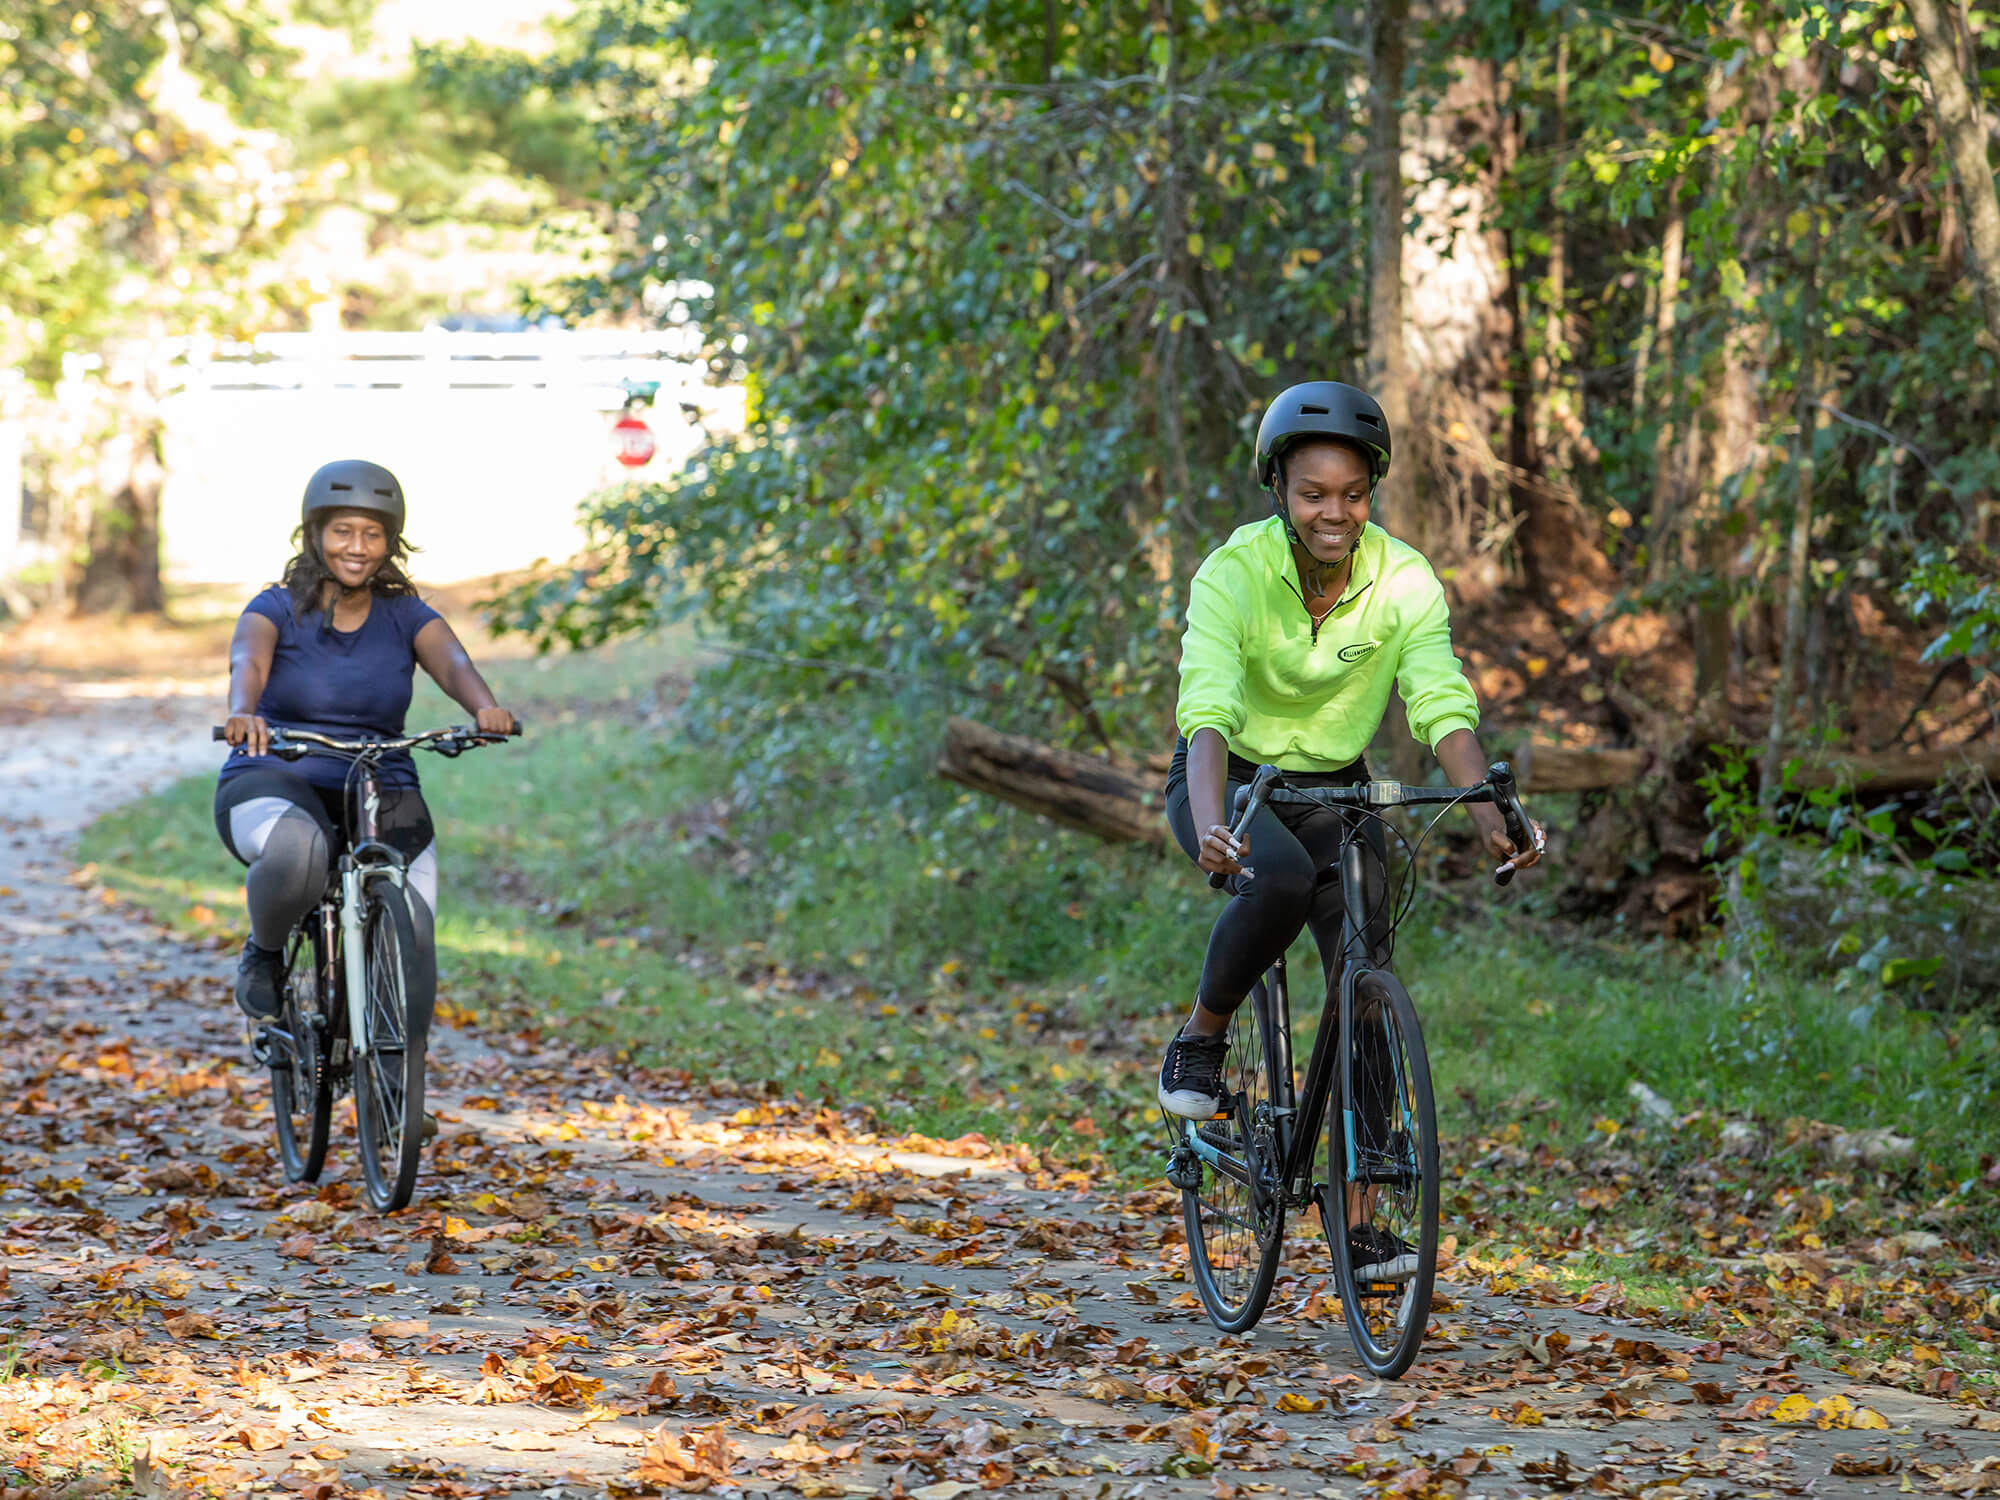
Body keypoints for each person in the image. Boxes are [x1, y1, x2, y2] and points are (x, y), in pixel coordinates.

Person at [1156, 382, 1543, 1277]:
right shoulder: (1235, 572)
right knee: (1281, 880)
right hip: (1234, 779)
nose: (1335, 512)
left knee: (1365, 984)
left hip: (1337, 789)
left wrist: (1488, 810)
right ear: (1279, 494)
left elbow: (1440, 701)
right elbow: (1206, 710)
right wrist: (1213, 826)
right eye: (1313, 493)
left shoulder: (1402, 579)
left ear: (1371, 493)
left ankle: (1361, 1220)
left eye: (1352, 494)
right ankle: (1205, 1036)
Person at [216, 459, 516, 1023]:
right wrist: (243, 712)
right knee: (300, 852)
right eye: (343, 531)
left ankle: (402, 1093)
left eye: (373, 533)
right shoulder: (273, 607)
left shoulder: (406, 615)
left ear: (390, 541)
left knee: (417, 935)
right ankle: (265, 952)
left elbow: (450, 661)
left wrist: (484, 706)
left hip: (381, 780)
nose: (358, 546)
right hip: (277, 770)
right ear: (315, 535)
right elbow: (246, 661)